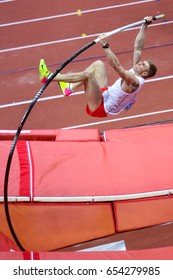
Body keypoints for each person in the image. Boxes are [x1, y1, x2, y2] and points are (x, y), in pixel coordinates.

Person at [39, 16, 157, 118]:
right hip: (105, 95)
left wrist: (105, 45)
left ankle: (49, 77)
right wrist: (144, 26)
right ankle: (69, 88)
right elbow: (138, 48)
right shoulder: (136, 71)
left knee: (88, 76)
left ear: (145, 73)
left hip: (101, 108)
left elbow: (116, 66)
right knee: (98, 64)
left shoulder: (133, 81)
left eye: (143, 65)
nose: (140, 63)